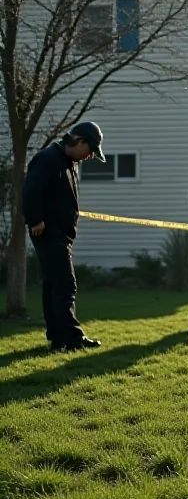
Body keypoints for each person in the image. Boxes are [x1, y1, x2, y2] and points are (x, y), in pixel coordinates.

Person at [22, 122, 105, 352]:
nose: (89, 156)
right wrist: (35, 220)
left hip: (61, 233)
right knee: (66, 285)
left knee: (53, 285)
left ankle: (58, 338)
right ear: (78, 141)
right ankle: (73, 339)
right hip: (49, 232)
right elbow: (30, 191)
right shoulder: (48, 159)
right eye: (90, 150)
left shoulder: (69, 162)